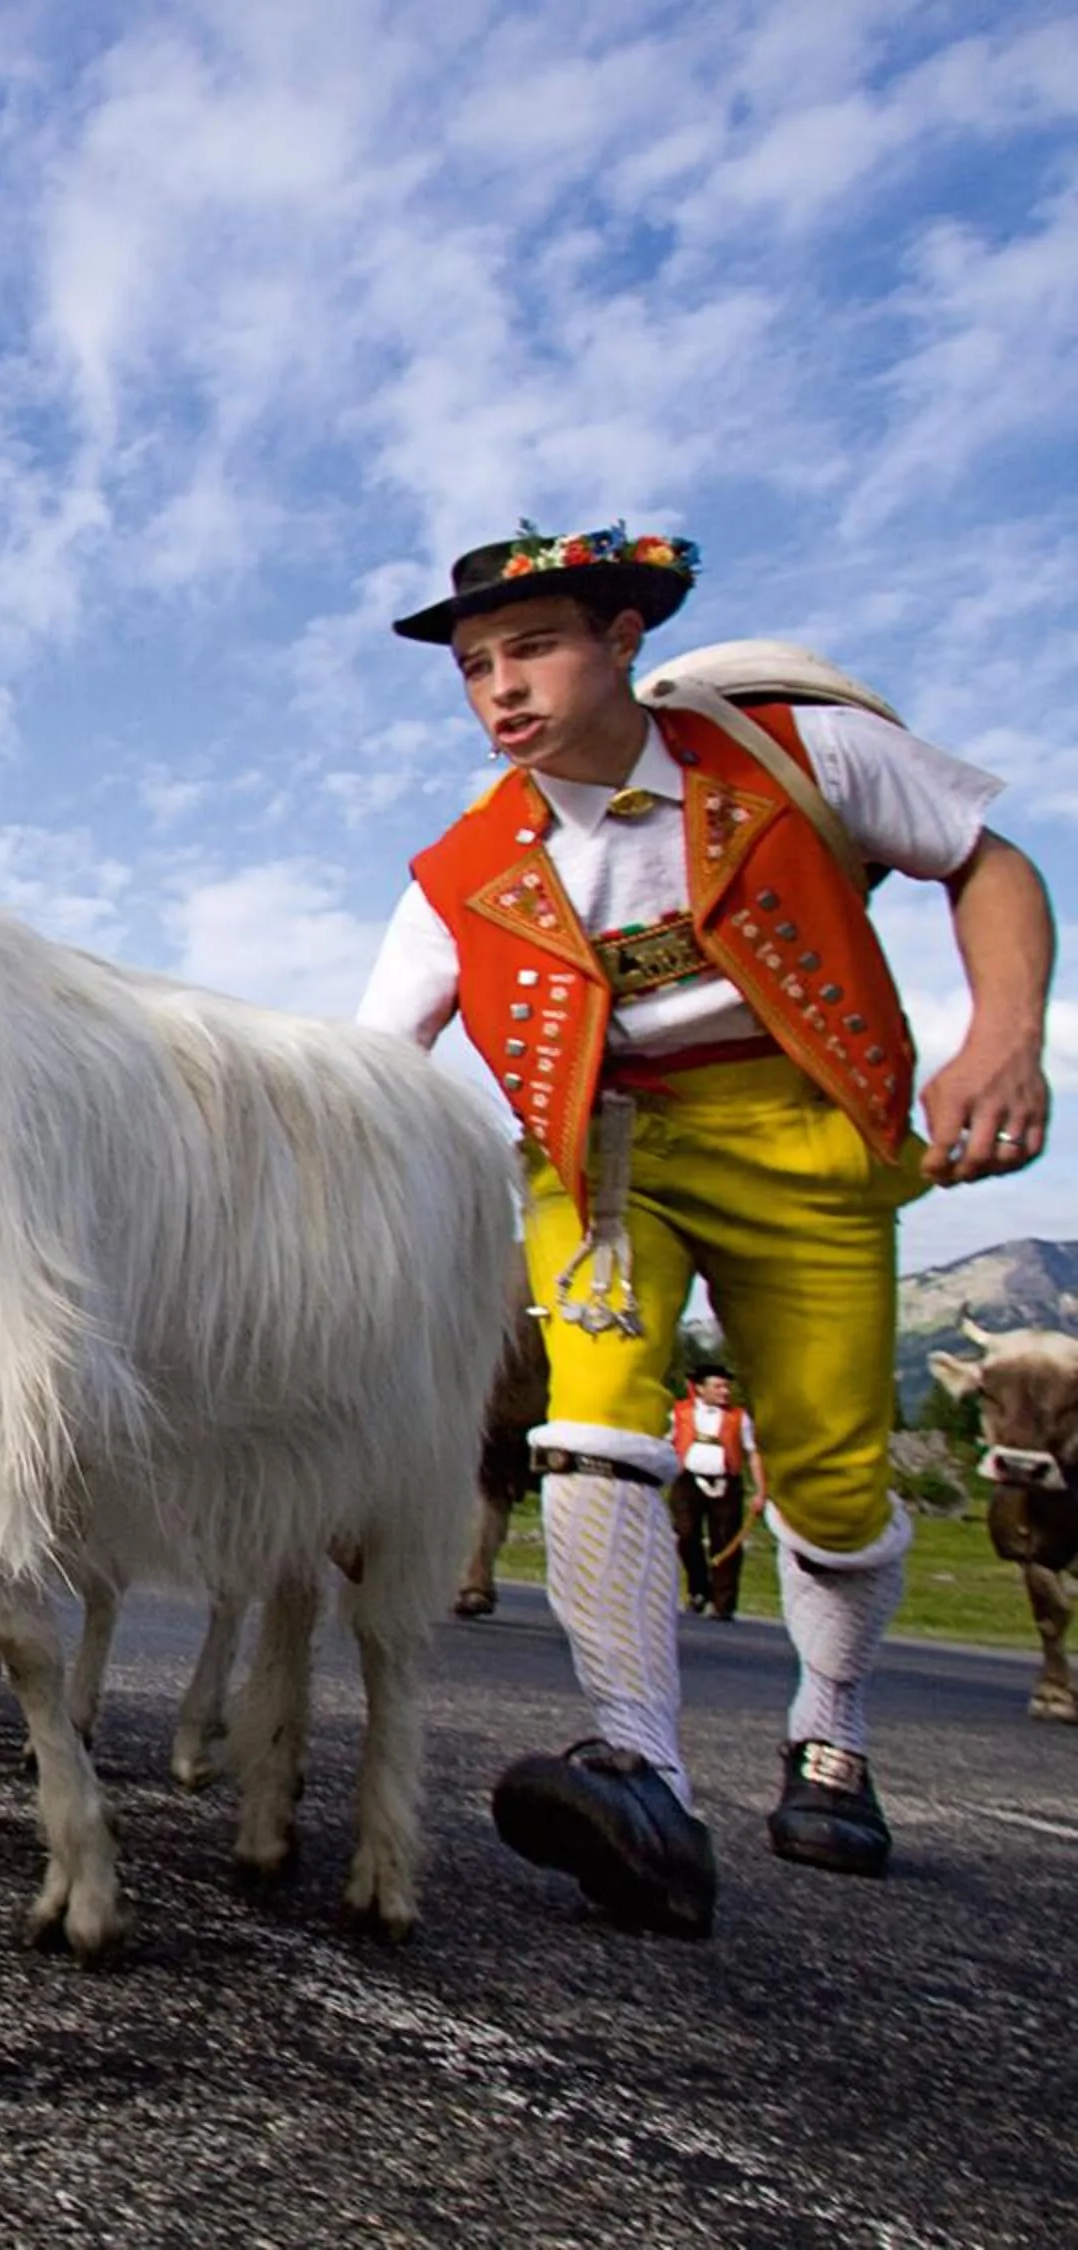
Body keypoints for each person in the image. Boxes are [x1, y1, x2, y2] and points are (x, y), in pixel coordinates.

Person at [358, 524, 1053, 1936]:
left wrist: (1007, 1037)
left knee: (838, 1472)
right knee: (592, 1412)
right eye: (476, 664)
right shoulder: (457, 870)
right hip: (600, 1153)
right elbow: (366, 1066)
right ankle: (641, 1764)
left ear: (625, 640)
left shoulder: (801, 755)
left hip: (803, 1129)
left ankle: (832, 1731)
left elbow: (989, 863)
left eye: (533, 645)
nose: (498, 686)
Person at [666, 1363, 764, 1620]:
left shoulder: (739, 1417)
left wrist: (761, 1491)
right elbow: (664, 1443)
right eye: (718, 1386)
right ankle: (698, 1590)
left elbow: (753, 1453)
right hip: (688, 1481)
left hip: (726, 1483)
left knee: (726, 1542)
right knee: (686, 1535)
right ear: (700, 1389)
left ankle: (724, 1603)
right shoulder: (680, 1413)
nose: (725, 1391)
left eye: (726, 1386)